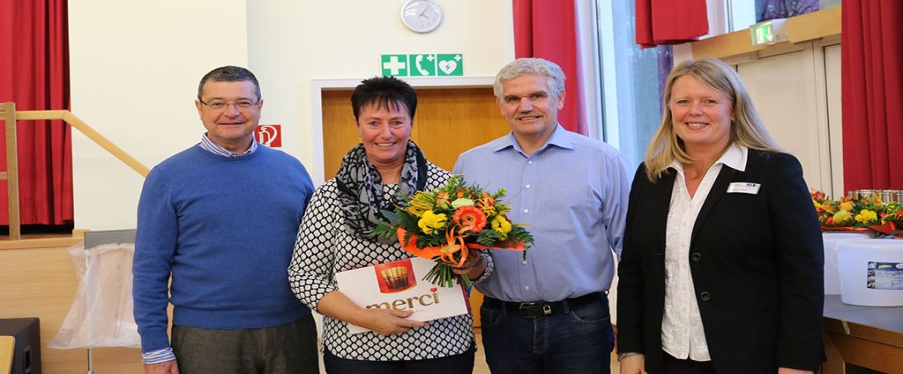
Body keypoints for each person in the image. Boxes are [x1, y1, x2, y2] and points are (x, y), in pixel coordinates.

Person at [616, 57, 824, 374]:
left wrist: (797, 362)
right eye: (683, 101)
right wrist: (630, 350)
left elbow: (802, 275)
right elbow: (633, 271)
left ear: (735, 109)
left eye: (709, 101)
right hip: (667, 358)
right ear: (670, 111)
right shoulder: (652, 176)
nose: (694, 111)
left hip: (750, 359)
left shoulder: (774, 172)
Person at [288, 76, 487, 374]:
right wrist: (367, 317)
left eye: (396, 121)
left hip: (441, 344)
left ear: (411, 122)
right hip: (357, 350)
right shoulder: (331, 195)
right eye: (373, 122)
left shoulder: (447, 189)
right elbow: (304, 276)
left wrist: (472, 263)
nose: (385, 133)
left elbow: (486, 265)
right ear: (357, 124)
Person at [132, 65, 318, 374]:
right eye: (217, 103)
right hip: (206, 335)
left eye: (243, 102)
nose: (231, 112)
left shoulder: (291, 170)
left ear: (259, 106)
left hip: (292, 328)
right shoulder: (167, 177)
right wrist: (154, 347)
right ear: (199, 109)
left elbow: (318, 250)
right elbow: (149, 269)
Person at [453, 57, 631, 374]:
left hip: (580, 322)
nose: (525, 106)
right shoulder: (471, 164)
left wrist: (635, 338)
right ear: (501, 104)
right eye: (513, 98)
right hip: (503, 323)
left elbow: (630, 248)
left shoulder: (602, 159)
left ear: (559, 98)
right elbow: (465, 245)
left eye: (537, 96)